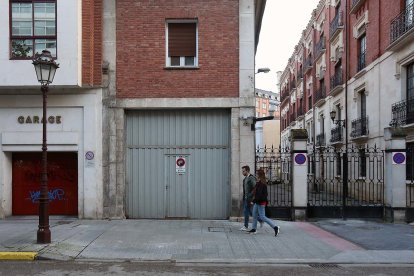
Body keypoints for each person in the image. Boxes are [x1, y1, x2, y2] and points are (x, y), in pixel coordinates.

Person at [248, 169, 280, 236]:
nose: (255, 175)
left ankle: (275, 227)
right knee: (254, 215)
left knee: (262, 217)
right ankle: (254, 229)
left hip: (261, 202)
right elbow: (256, 193)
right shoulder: (259, 182)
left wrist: (253, 201)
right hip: (257, 202)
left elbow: (259, 195)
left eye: (256, 174)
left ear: (259, 175)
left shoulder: (262, 184)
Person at [240, 165, 262, 231]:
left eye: (243, 171)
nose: (242, 172)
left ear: (247, 171)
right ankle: (260, 220)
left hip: (249, 198)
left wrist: (250, 195)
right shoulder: (245, 179)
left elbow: (255, 187)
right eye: (242, 171)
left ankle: (246, 226)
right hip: (246, 198)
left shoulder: (251, 178)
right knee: (250, 212)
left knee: (246, 212)